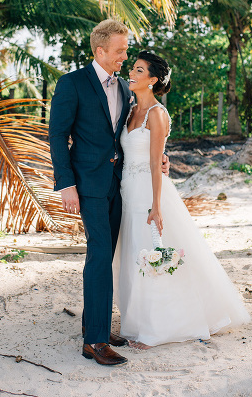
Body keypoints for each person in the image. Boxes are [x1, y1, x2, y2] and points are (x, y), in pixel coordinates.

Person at [48, 20, 169, 366]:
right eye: (120, 50)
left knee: (106, 255)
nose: (124, 56)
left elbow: (132, 133)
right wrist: (66, 184)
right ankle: (95, 342)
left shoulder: (126, 90)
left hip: (120, 185)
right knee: (100, 254)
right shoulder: (71, 84)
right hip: (87, 185)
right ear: (100, 51)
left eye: (126, 50)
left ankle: (94, 323)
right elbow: (58, 136)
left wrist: (159, 156)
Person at [112, 51, 251, 349]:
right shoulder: (130, 110)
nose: (131, 74)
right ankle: (137, 321)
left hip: (148, 193)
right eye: (132, 69)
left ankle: (159, 330)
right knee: (134, 256)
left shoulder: (158, 114)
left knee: (153, 254)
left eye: (138, 70)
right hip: (126, 191)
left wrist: (157, 207)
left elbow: (153, 164)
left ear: (152, 80)